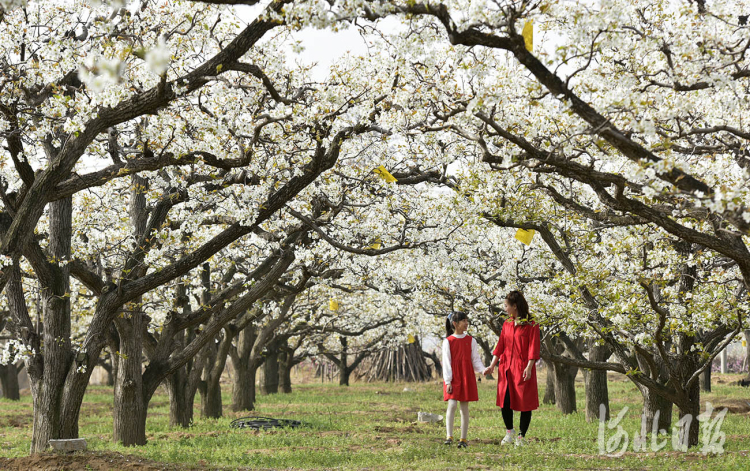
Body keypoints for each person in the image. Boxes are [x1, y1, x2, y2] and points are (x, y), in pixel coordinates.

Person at [483, 290, 540, 447]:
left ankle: (521, 437)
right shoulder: (507, 323)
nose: (505, 309)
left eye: (506, 306)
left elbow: (534, 348)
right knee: (505, 400)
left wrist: (529, 367)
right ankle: (510, 432)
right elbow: (500, 345)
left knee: (524, 402)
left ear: (515, 306)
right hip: (506, 368)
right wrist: (492, 365)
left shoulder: (532, 323)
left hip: (523, 368)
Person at [442, 312, 485, 448]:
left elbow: (475, 360)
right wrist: (448, 381)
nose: (466, 323)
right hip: (453, 376)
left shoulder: (471, 340)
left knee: (464, 407)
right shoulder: (448, 341)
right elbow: (447, 362)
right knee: (452, 404)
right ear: (455, 324)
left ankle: (463, 439)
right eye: (463, 321)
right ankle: (449, 435)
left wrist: (483, 370)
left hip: (466, 375)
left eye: (467, 320)